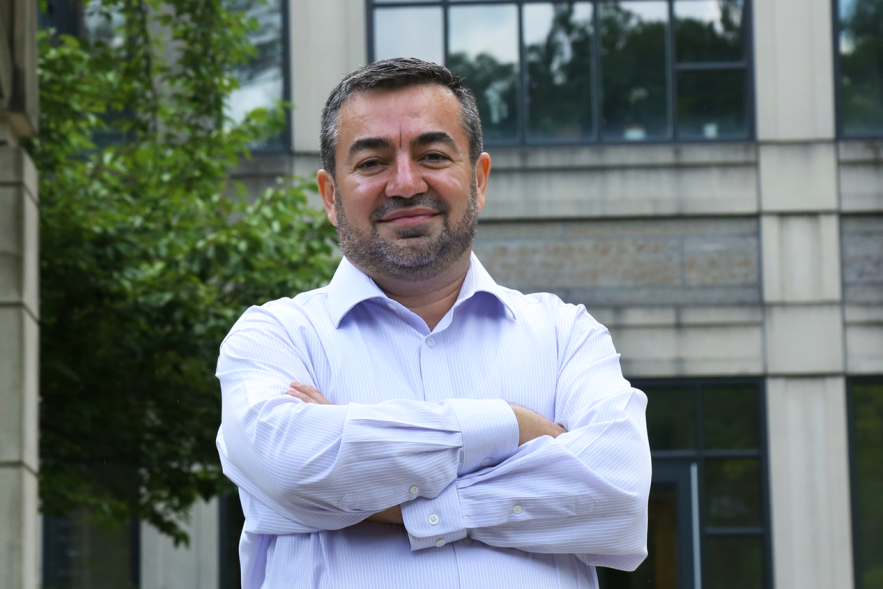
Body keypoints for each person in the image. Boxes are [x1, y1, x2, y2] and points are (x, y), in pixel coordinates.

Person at [215, 58, 650, 588]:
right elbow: (292, 465)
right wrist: (512, 427)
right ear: (330, 196)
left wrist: (388, 497)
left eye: (434, 155)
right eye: (372, 163)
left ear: (479, 180)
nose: (404, 183)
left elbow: (618, 497)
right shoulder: (274, 338)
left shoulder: (566, 336)